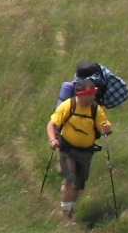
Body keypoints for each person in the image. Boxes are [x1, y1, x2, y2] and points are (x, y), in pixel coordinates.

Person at [47, 78, 112, 220]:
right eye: (90, 94)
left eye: (94, 94)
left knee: (79, 184)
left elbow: (102, 126)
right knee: (69, 179)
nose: (93, 97)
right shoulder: (68, 106)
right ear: (81, 95)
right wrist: (53, 140)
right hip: (67, 149)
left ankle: (69, 210)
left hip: (86, 152)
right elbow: (52, 124)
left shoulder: (95, 109)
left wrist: (105, 128)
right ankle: (66, 215)